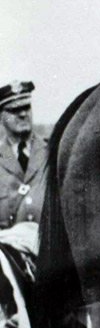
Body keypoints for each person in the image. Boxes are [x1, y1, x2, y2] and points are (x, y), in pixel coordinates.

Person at [0, 82, 47, 229]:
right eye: (14, 110)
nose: (22, 114)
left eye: (26, 107)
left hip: (51, 248)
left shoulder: (52, 153)